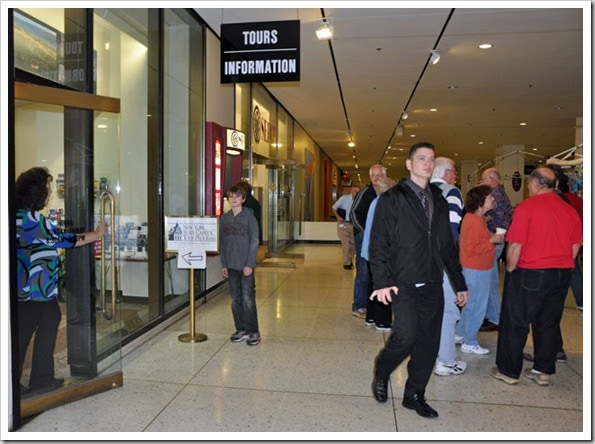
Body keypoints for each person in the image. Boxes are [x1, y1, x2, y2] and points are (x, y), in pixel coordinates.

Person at [368, 142, 468, 419]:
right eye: (421, 158)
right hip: (403, 283)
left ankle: (414, 395)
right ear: (410, 164)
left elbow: (447, 245)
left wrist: (459, 283)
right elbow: (378, 244)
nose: (427, 163)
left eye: (431, 159)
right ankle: (383, 369)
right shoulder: (392, 198)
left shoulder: (438, 198)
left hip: (433, 283)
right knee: (405, 336)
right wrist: (381, 282)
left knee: (428, 344)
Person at [16, 167, 108, 397]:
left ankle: (41, 378)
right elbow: (64, 240)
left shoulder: (16, 216)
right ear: (36, 193)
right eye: (47, 190)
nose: (49, 194)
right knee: (25, 332)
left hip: (29, 289)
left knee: (49, 319)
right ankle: (24, 381)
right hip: (33, 290)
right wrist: (95, 235)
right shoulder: (33, 220)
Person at [491, 167, 582, 386]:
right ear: (555, 186)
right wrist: (563, 267)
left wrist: (511, 271)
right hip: (560, 273)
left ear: (534, 184)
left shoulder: (527, 207)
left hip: (531, 272)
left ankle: (508, 371)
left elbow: (515, 244)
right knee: (548, 323)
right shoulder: (569, 210)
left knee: (516, 322)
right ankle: (543, 370)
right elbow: (575, 245)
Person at [456, 185, 505, 355]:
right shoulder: (473, 221)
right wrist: (491, 241)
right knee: (476, 307)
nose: (493, 199)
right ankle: (470, 341)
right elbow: (471, 248)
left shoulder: (476, 218)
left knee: (471, 304)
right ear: (480, 201)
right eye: (489, 196)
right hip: (476, 269)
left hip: (476, 268)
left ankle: (460, 333)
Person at [430, 157, 467, 376]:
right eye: (454, 172)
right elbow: (451, 232)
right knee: (448, 310)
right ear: (446, 173)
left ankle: (429, 353)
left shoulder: (420, 190)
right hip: (442, 263)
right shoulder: (451, 192)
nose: (455, 177)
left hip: (419, 262)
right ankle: (445, 361)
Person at [220, 184, 261, 346]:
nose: (234, 199)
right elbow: (222, 243)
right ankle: (241, 329)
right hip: (231, 265)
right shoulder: (225, 218)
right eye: (231, 197)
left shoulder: (249, 217)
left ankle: (253, 331)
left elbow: (254, 241)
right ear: (228, 199)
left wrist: (250, 264)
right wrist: (224, 264)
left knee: (248, 299)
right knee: (236, 299)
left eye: (237, 196)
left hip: (246, 265)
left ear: (243, 199)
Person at [349, 164, 387, 318]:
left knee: (378, 273)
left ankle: (375, 306)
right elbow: (354, 214)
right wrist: (366, 233)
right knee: (364, 271)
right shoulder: (366, 192)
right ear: (370, 178)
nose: (377, 178)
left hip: (381, 240)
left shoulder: (388, 193)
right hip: (364, 238)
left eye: (380, 174)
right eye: (374, 175)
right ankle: (359, 305)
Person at [360, 176, 397, 332]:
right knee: (383, 284)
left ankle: (371, 317)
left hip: (369, 251)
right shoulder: (385, 203)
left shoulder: (375, 201)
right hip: (380, 253)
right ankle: (383, 322)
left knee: (372, 285)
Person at [479, 167, 512, 332]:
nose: (482, 183)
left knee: (490, 280)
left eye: (484, 179)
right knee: (490, 278)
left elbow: (487, 214)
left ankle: (494, 317)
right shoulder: (500, 194)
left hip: (495, 239)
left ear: (492, 179)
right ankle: (490, 314)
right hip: (497, 239)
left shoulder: (496, 196)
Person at [331, 186, 360, 270]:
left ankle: (349, 259)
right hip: (343, 224)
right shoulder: (344, 198)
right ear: (352, 191)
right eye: (355, 192)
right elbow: (333, 208)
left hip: (353, 225)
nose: (356, 194)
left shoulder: (359, 201)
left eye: (358, 192)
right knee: (345, 244)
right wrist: (338, 217)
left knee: (353, 243)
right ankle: (346, 263)